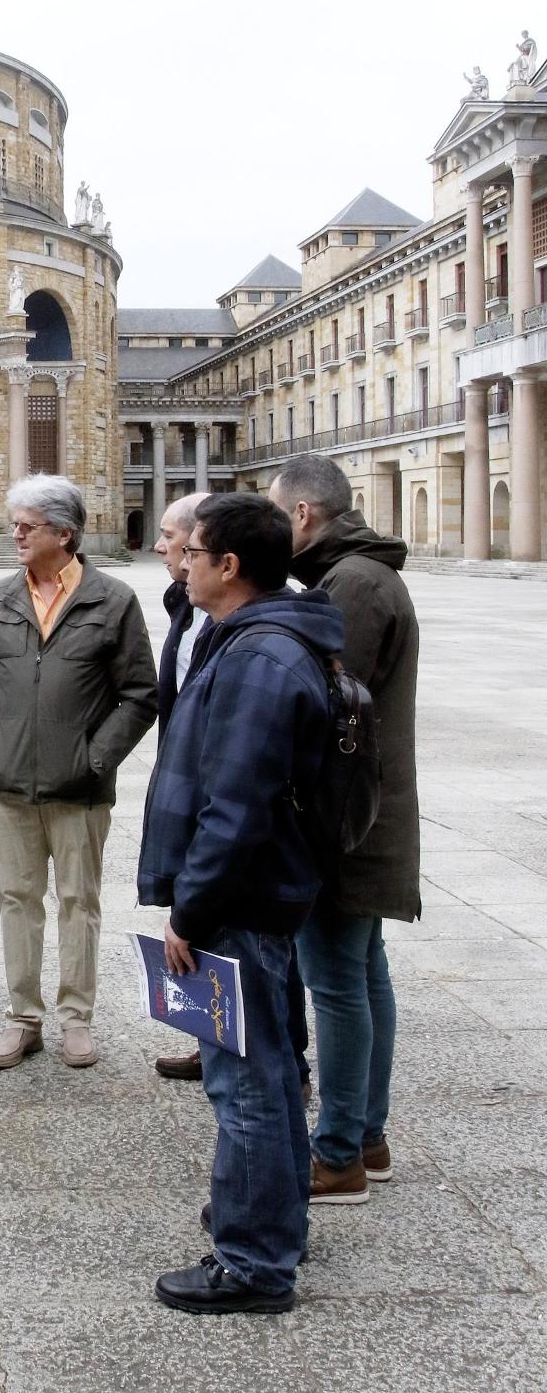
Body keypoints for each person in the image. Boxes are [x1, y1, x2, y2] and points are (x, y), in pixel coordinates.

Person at [139, 493, 339, 1313]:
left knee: (245, 1083)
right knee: (270, 1070)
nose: (180, 565)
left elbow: (237, 805)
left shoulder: (260, 658)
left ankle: (254, 1262)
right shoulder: (258, 639)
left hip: (240, 897)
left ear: (228, 566)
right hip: (259, 889)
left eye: (191, 553)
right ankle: (274, 1221)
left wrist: (189, 910)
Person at [0, 475, 157, 1069]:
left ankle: (76, 1019)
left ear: (65, 534)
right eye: (15, 524)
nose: (15, 534)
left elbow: (139, 693)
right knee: (17, 901)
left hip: (81, 790)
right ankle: (23, 1018)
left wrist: (94, 759)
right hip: (8, 788)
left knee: (78, 902)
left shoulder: (113, 600)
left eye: (28, 525)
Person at [269, 456, 420, 1206]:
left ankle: (340, 1155)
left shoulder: (352, 583)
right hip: (368, 813)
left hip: (347, 820)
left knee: (336, 981)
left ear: (303, 515)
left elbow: (326, 703)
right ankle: (366, 1138)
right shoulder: (355, 573)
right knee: (361, 974)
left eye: (276, 515)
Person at [149, 492, 209, 1083]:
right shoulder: (184, 605)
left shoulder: (236, 617)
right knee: (199, 914)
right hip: (188, 778)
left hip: (215, 784)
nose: (159, 546)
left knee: (224, 918)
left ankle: (279, 1062)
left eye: (169, 536)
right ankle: (213, 1036)